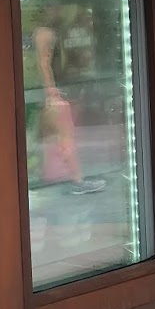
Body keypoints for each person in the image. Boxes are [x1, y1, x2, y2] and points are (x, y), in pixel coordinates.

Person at [34, 10, 104, 196]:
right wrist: (51, 90)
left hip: (53, 91)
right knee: (65, 137)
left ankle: (66, 177)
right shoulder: (46, 33)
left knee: (53, 137)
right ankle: (77, 180)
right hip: (54, 92)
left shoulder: (47, 33)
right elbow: (43, 62)